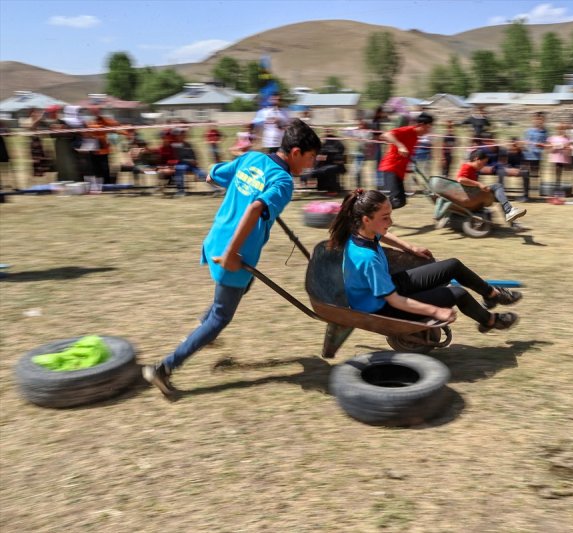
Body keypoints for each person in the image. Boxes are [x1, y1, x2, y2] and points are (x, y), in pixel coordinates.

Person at [142, 119, 321, 397]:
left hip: (216, 239)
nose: (310, 165)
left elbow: (212, 176)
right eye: (310, 158)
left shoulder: (252, 158)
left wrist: (243, 189)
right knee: (221, 317)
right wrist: (232, 254)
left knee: (236, 292)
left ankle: (202, 331)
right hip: (233, 254)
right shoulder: (283, 181)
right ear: (296, 152)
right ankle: (163, 368)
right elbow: (254, 209)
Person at [328, 189, 521, 333]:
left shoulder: (362, 231)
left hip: (385, 287)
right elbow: (394, 300)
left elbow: (384, 235)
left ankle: (492, 294)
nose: (391, 222)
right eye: (385, 218)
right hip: (379, 306)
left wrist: (410, 248)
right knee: (458, 293)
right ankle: (489, 321)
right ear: (366, 219)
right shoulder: (367, 258)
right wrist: (436, 312)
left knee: (453, 265)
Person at [377, 112, 435, 209]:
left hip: (399, 171)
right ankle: (371, 212)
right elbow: (386, 135)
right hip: (391, 168)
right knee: (397, 201)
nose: (429, 130)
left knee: (401, 202)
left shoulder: (416, 137)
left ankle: (377, 212)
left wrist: (409, 167)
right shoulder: (408, 130)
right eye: (428, 127)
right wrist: (400, 146)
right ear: (421, 125)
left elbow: (406, 154)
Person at [456, 149, 526, 223]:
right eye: (483, 163)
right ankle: (510, 213)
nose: (483, 166)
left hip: (473, 193)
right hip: (471, 195)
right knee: (498, 187)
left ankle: (511, 217)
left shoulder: (474, 169)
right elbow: (461, 179)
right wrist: (478, 184)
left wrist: (482, 187)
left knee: (500, 196)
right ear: (477, 159)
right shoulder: (467, 166)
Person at [522, 112, 548, 202]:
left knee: (535, 176)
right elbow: (525, 142)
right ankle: (526, 195)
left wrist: (542, 145)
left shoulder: (545, 131)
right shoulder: (528, 131)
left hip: (537, 157)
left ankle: (535, 195)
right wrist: (525, 144)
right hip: (527, 156)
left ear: (543, 120)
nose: (538, 121)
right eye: (537, 119)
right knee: (526, 175)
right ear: (533, 120)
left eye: (540, 119)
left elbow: (545, 143)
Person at [546, 124, 571, 190]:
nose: (561, 130)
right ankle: (554, 189)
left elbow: (568, 150)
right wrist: (556, 147)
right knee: (554, 175)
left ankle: (559, 189)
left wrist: (565, 148)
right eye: (560, 129)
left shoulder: (567, 139)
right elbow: (548, 149)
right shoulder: (552, 138)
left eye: (563, 129)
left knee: (561, 175)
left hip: (563, 159)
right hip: (554, 159)